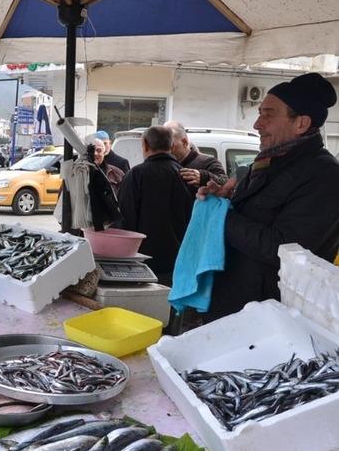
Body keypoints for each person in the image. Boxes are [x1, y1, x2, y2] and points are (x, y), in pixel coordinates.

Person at [199, 72, 339, 321]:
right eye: (259, 113)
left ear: (301, 124)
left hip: (267, 319)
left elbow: (285, 249)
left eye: (269, 115)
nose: (257, 124)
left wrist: (221, 215)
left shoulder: (325, 175)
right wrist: (224, 200)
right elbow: (255, 218)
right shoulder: (268, 161)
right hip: (231, 304)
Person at [117, 126, 194, 286]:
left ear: (145, 144)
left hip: (142, 263)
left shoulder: (136, 175)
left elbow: (125, 220)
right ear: (172, 146)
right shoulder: (187, 176)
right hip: (179, 262)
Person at [164, 120, 228, 191]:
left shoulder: (208, 162)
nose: (165, 149)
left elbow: (225, 183)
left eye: (169, 145)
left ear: (184, 142)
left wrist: (204, 178)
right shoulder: (162, 164)